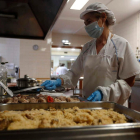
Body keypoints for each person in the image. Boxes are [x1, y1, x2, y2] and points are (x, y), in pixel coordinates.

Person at [41, 3, 140, 106]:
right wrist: (59, 81)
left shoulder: (121, 44)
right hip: (88, 103)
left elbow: (130, 81)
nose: (86, 26)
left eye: (89, 21)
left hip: (113, 106)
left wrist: (104, 93)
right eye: (85, 23)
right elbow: (74, 73)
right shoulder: (87, 47)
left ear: (103, 17)